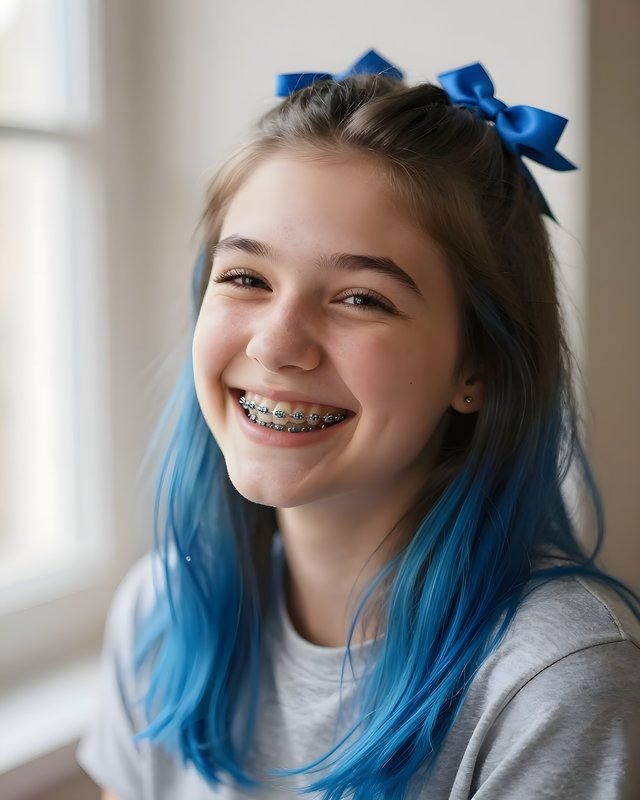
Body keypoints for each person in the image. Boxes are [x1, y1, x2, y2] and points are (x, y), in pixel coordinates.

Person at [78, 51, 640, 799]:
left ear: (476, 369)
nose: (276, 344)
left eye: (361, 298)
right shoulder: (160, 610)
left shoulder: (554, 677)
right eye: (246, 278)